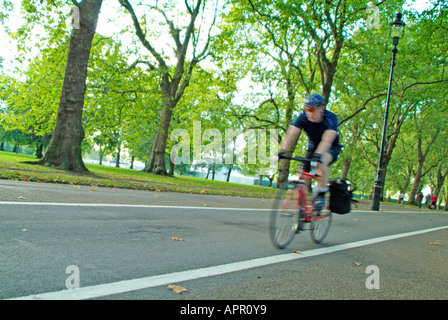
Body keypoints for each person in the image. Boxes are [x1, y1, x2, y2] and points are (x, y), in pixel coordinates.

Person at [279, 93, 342, 212]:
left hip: (330, 147)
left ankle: (321, 194)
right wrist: (282, 150)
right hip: (313, 147)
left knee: (320, 162)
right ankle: (303, 208)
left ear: (321, 109)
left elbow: (327, 140)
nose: (309, 113)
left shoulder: (331, 118)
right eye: (306, 109)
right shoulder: (303, 117)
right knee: (303, 176)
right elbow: (291, 134)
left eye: (312, 109)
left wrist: (318, 156)